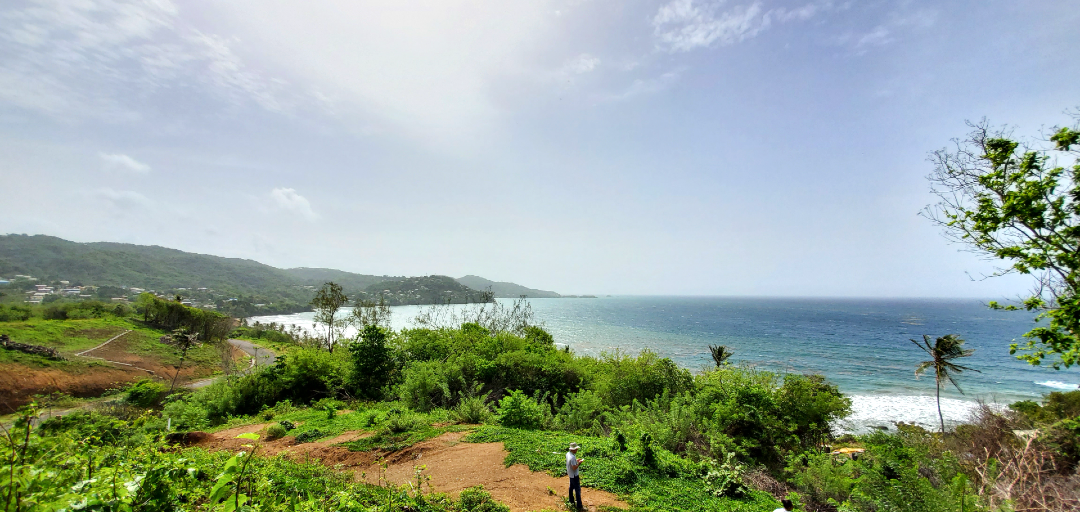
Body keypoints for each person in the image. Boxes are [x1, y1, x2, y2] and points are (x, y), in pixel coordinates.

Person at [566, 442, 584, 510]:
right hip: (574, 475)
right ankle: (579, 505)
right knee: (577, 490)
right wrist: (579, 463)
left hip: (570, 474)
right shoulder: (572, 457)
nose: (577, 450)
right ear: (573, 449)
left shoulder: (568, 454)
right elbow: (574, 467)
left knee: (571, 487)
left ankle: (571, 500)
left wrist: (576, 461)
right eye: (576, 449)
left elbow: (571, 463)